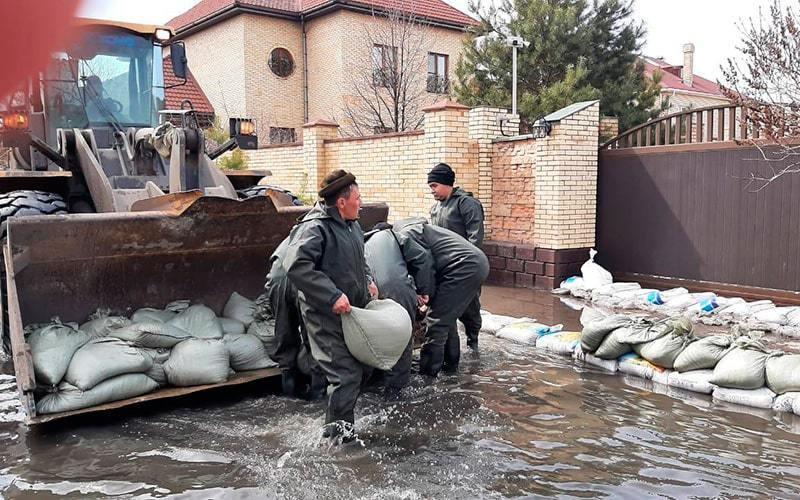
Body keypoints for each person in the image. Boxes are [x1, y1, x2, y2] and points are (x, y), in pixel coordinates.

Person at [283, 169, 377, 440]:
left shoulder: (353, 226)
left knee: (363, 369)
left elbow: (361, 261)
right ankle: (338, 441)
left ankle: (338, 422)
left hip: (353, 314)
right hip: (324, 315)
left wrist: (369, 280)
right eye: (358, 198)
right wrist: (332, 295)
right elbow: (297, 266)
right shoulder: (316, 227)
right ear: (341, 202)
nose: (361, 202)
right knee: (345, 375)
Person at [393, 218, 489, 377]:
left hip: (463, 267)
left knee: (436, 323)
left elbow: (425, 264)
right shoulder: (417, 230)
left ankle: (427, 377)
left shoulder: (405, 235)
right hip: (471, 263)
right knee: (447, 320)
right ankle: (450, 369)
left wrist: (426, 294)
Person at [364, 223, 435, 399]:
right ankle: (395, 392)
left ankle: (371, 382)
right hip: (397, 289)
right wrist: (424, 290)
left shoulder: (360, 241)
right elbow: (422, 258)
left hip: (369, 292)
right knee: (402, 340)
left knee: (375, 337)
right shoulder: (393, 235)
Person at [427, 163, 486, 352]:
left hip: (465, 267)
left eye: (434, 185)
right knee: (444, 310)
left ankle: (473, 342)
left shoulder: (466, 204)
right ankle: (450, 348)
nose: (432, 191)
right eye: (430, 186)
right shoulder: (436, 208)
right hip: (443, 267)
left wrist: (468, 264)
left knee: (470, 308)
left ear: (447, 183)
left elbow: (475, 237)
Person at [262, 235, 326, 400]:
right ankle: (317, 397)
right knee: (314, 338)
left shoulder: (296, 234)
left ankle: (289, 395)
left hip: (277, 277)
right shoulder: (328, 232)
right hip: (300, 280)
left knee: (285, 335)